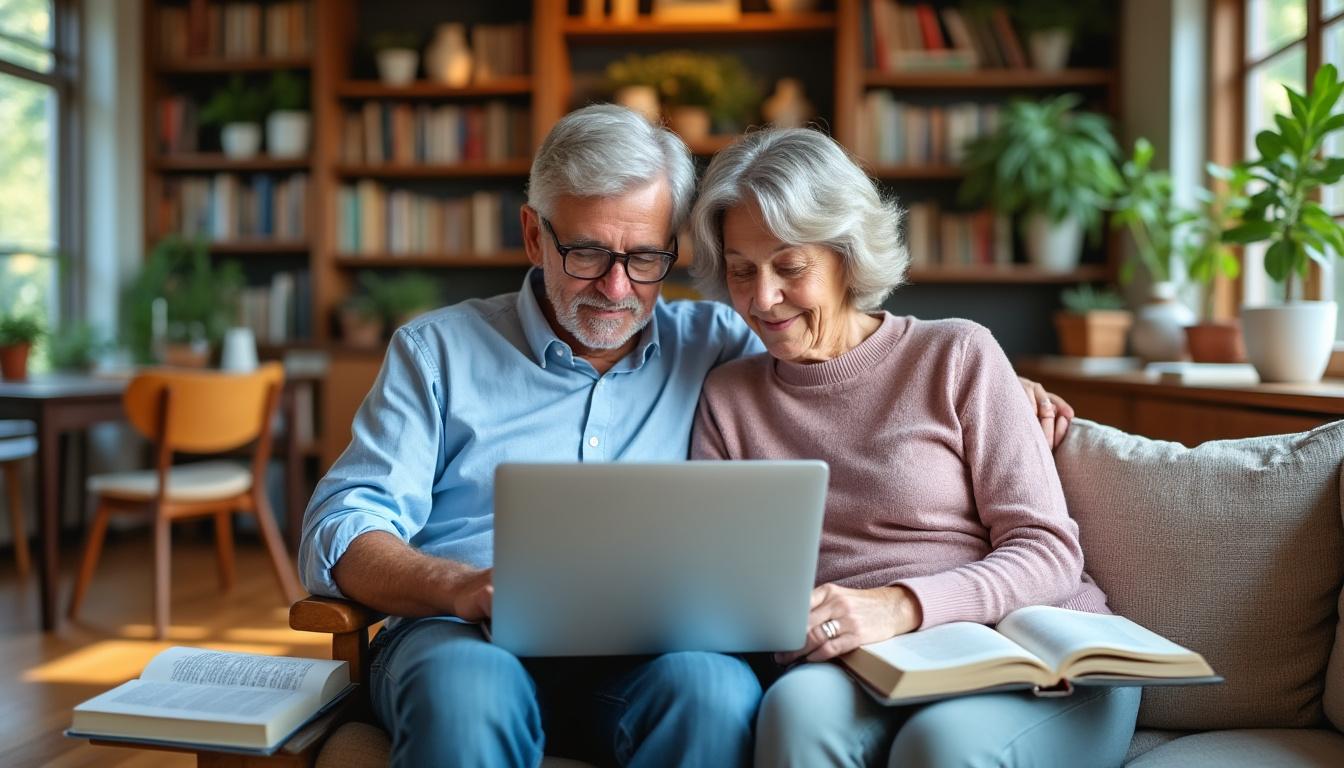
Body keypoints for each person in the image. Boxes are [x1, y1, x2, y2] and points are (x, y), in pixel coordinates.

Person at [299, 105, 1074, 767]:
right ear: (534, 237)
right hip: (462, 636)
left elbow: (848, 352)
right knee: (467, 695)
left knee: (713, 691)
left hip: (645, 653)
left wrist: (1007, 390)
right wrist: (459, 587)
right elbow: (339, 528)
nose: (617, 287)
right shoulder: (437, 351)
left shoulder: (726, 342)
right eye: (587, 253)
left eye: (643, 258)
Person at [687, 127, 1140, 768]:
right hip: (866, 658)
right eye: (741, 272)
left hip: (1033, 642)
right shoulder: (730, 398)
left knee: (944, 746)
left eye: (790, 268)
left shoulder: (956, 354)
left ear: (845, 256)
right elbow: (729, 583)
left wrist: (902, 606)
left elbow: (1049, 552)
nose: (762, 299)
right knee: (794, 714)